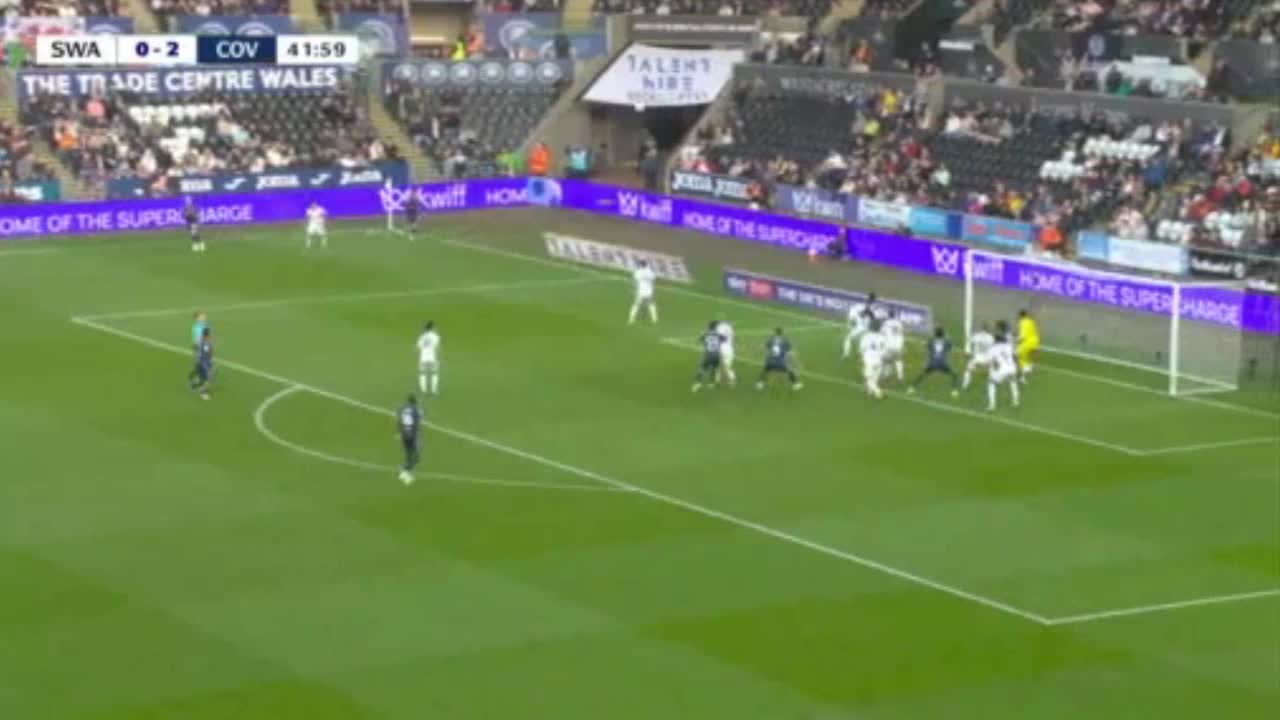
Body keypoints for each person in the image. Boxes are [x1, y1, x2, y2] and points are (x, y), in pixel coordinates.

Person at [908, 327, 960, 397]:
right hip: (943, 363)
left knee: (923, 374)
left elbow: (926, 349)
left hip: (932, 363)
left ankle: (912, 388)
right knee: (954, 374)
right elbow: (950, 349)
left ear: (935, 334)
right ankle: (954, 391)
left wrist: (925, 361)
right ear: (943, 334)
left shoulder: (931, 341)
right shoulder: (947, 341)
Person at [988, 325, 1021, 411]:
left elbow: (993, 362)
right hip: (1012, 367)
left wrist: (993, 371)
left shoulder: (993, 349)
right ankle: (1016, 401)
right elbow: (1015, 356)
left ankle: (992, 405)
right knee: (1013, 382)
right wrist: (1017, 366)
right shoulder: (1008, 346)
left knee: (991, 383)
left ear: (995, 340)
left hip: (1002, 369)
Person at [841, 292, 878, 359]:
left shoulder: (867, 306)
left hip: (861, 327)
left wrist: (865, 312)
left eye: (868, 297)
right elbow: (872, 318)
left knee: (848, 338)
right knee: (860, 342)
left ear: (869, 298)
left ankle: (846, 354)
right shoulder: (872, 307)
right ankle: (860, 354)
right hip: (866, 328)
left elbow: (863, 314)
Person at [691, 321, 724, 393]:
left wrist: (704, 339)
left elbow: (699, 340)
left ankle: (698, 383)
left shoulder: (706, 334)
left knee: (702, 369)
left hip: (708, 354)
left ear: (709, 327)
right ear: (716, 327)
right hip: (716, 354)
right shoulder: (718, 334)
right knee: (714, 368)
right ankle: (711, 383)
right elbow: (724, 339)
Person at [397, 394, 423, 485]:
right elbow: (417, 423)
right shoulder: (416, 410)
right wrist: (417, 435)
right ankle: (404, 473)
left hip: (404, 434)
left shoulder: (403, 409)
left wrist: (399, 432)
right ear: (414, 402)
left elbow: (399, 421)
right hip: (412, 434)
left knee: (409, 454)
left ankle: (404, 471)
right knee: (415, 455)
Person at [962, 322, 995, 390]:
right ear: (988, 329)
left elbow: (969, 341)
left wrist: (968, 351)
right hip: (987, 359)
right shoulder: (991, 338)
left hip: (977, 358)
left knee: (968, 370)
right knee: (992, 371)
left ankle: (965, 385)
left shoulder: (976, 336)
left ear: (981, 329)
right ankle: (991, 385)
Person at [859, 322, 887, 399]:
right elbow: (885, 350)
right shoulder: (882, 337)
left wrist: (861, 356)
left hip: (869, 360)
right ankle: (870, 391)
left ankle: (878, 392)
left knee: (868, 378)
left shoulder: (866, 336)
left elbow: (862, 348)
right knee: (874, 378)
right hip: (879, 360)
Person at [628, 259, 659, 325]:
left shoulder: (638, 272)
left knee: (636, 304)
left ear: (640, 265)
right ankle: (654, 319)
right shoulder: (650, 271)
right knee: (651, 304)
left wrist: (634, 290)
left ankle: (631, 319)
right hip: (649, 291)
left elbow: (635, 281)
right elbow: (654, 280)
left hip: (641, 291)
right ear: (646, 264)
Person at [416, 321, 441, 396]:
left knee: (422, 373)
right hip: (432, 357)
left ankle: (423, 390)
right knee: (434, 373)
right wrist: (438, 358)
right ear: (432, 328)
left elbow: (418, 347)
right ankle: (434, 390)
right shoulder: (435, 336)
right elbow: (437, 347)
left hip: (423, 357)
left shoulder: (422, 336)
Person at [881, 309, 906, 382]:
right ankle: (900, 376)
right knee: (898, 360)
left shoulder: (886, 323)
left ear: (888, 315)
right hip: (899, 345)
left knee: (886, 361)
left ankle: (886, 375)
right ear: (894, 315)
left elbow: (882, 332)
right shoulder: (899, 323)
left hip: (889, 345)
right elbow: (901, 332)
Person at [190, 327, 213, 400]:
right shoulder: (206, 343)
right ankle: (203, 393)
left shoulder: (199, 340)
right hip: (204, 363)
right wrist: (210, 362)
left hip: (198, 361)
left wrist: (196, 355)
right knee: (208, 379)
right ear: (207, 334)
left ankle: (193, 387)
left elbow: (194, 347)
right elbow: (206, 353)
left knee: (200, 377)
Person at [1016, 309, 1040, 382]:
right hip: (1035, 340)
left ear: (1020, 316)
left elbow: (1023, 335)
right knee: (1030, 356)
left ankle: (1025, 371)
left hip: (1027, 342)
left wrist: (1017, 340)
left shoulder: (1022, 322)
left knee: (1018, 355)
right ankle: (1030, 366)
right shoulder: (1031, 321)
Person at [714, 318, 736, 387]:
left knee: (718, 364)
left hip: (721, 347)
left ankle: (717, 379)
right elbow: (733, 338)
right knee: (727, 366)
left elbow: (717, 337)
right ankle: (732, 379)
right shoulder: (730, 328)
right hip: (730, 348)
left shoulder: (719, 327)